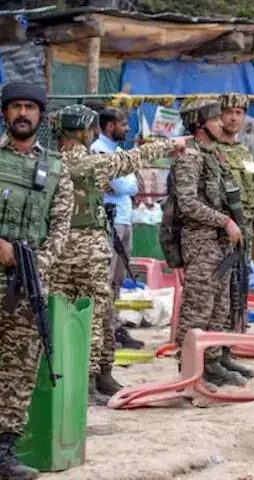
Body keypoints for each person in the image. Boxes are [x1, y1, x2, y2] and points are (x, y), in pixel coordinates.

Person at [48, 105, 180, 405]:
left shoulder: (50, 161)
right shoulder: (86, 161)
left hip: (58, 250)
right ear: (83, 131)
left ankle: (93, 377)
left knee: (68, 314)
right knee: (96, 314)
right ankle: (90, 380)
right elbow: (130, 160)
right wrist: (169, 145)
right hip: (88, 250)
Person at [0, 82, 74, 480]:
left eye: (30, 107)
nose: (23, 113)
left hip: (26, 281)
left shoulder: (57, 168)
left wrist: (35, 265)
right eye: (16, 107)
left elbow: (60, 228)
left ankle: (3, 452)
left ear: (41, 115)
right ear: (5, 113)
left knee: (19, 369)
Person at [174, 100, 246, 386]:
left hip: (220, 245)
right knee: (197, 308)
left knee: (219, 306)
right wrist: (224, 221)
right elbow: (188, 203)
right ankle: (190, 369)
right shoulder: (190, 157)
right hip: (201, 242)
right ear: (200, 125)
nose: (222, 123)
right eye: (216, 120)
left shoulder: (214, 155)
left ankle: (212, 363)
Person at [213, 93, 254, 378]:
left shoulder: (245, 153)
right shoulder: (212, 151)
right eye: (229, 112)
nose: (234, 118)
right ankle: (213, 356)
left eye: (239, 112)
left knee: (238, 297)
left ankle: (227, 353)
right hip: (220, 236)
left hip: (244, 237)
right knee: (218, 299)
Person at [90, 107, 144, 351]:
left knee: (118, 279)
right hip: (110, 222)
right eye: (123, 124)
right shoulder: (99, 151)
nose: (127, 128)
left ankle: (114, 328)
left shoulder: (120, 153)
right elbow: (123, 186)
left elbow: (134, 184)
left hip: (125, 219)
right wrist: (126, 183)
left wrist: (127, 183)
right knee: (107, 277)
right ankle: (105, 330)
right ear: (110, 126)